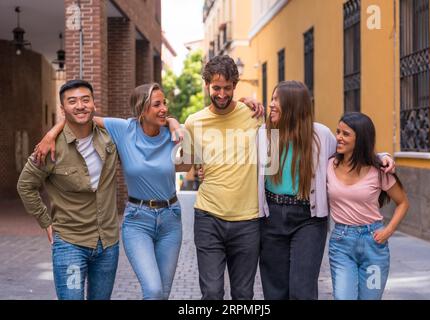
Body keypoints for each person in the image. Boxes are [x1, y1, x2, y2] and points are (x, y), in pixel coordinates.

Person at [33, 82, 188, 300]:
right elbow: (81, 118)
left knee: (161, 294)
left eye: (164, 104)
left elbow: (188, 165)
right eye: (157, 104)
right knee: (153, 290)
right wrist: (50, 134)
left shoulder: (172, 134)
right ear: (142, 109)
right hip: (138, 218)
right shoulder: (123, 129)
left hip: (171, 218)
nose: (164, 108)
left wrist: (174, 122)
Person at [257, 81, 396, 300]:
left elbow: (350, 153)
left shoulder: (319, 135)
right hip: (271, 215)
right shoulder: (264, 134)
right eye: (271, 99)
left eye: (277, 100)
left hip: (308, 219)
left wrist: (382, 157)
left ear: (293, 105)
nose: (271, 104)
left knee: (302, 289)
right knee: (275, 289)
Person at [17, 80, 120, 300]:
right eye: (72, 102)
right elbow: (25, 185)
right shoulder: (50, 149)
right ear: (63, 109)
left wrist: (171, 123)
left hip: (108, 243)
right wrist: (45, 221)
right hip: (70, 244)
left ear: (93, 103)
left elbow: (140, 126)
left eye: (85, 99)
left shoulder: (110, 137)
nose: (80, 106)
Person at [181, 55, 265, 300]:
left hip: (248, 220)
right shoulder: (194, 122)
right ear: (207, 85)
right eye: (216, 88)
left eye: (227, 88)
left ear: (234, 87)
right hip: (208, 218)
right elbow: (185, 163)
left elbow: (274, 156)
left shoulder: (254, 115)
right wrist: (195, 165)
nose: (221, 94)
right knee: (212, 292)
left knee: (243, 294)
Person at [327, 112, 408, 300]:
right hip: (341, 244)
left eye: (345, 134)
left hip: (374, 245)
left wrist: (388, 231)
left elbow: (403, 202)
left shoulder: (379, 170)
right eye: (338, 132)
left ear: (361, 138)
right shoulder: (329, 165)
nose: (338, 137)